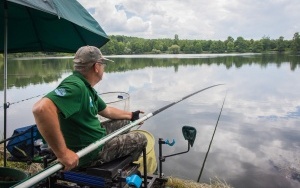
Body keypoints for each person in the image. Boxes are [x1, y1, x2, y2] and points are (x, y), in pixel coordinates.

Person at [32, 45, 147, 171]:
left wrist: (131, 115)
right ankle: (126, 170)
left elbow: (106, 110)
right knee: (141, 139)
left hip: (94, 138)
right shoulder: (76, 87)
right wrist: (63, 154)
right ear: (97, 67)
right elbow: (41, 109)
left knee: (126, 123)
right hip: (90, 152)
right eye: (103, 65)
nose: (104, 68)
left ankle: (119, 154)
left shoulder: (84, 85)